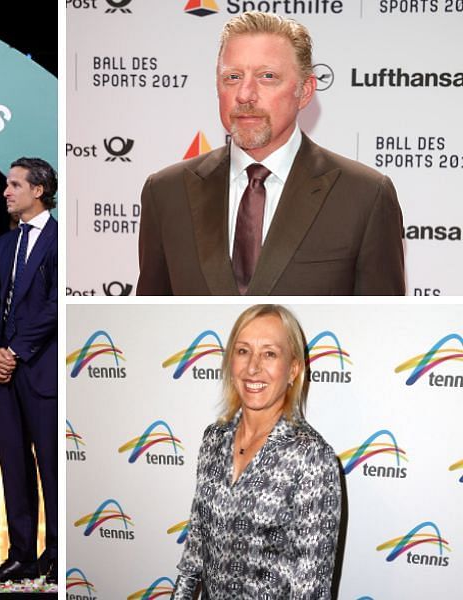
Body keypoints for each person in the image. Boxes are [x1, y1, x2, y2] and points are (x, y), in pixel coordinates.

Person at [136, 12, 404, 296]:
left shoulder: (364, 196)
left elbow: (382, 327)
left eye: (267, 77)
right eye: (233, 77)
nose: (245, 94)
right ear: (217, 86)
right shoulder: (166, 193)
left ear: (305, 91)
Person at [175, 304, 341, 597]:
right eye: (243, 351)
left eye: (269, 353)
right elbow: (197, 546)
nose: (253, 367)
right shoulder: (213, 439)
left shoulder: (311, 457)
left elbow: (311, 590)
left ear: (293, 369)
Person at [0, 157, 58, 584]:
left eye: (14, 184)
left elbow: (55, 306)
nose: (6, 192)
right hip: (2, 374)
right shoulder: (5, 244)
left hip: (39, 372)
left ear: (37, 190)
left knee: (51, 468)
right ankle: (21, 554)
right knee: (14, 466)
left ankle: (58, 556)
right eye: (6, 185)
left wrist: (15, 352)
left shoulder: (61, 240)